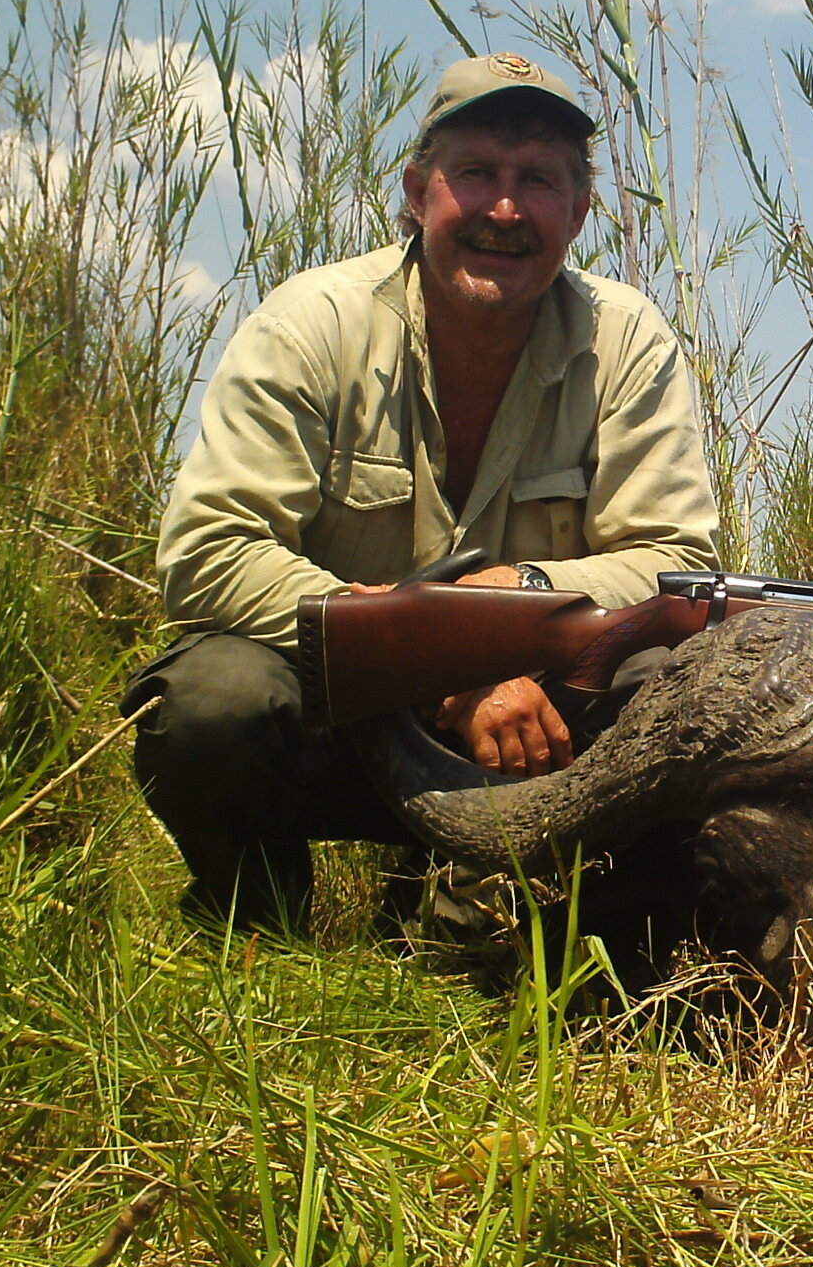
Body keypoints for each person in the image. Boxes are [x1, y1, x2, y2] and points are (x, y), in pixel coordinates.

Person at [124, 52, 722, 931]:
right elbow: (207, 553)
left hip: (531, 725)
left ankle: (482, 912)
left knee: (670, 690)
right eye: (475, 173)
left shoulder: (627, 339)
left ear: (580, 212)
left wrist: (511, 600)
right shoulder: (311, 322)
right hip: (338, 709)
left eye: (539, 181)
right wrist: (435, 657)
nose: (505, 209)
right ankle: (254, 929)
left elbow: (680, 564)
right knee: (215, 701)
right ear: (416, 192)